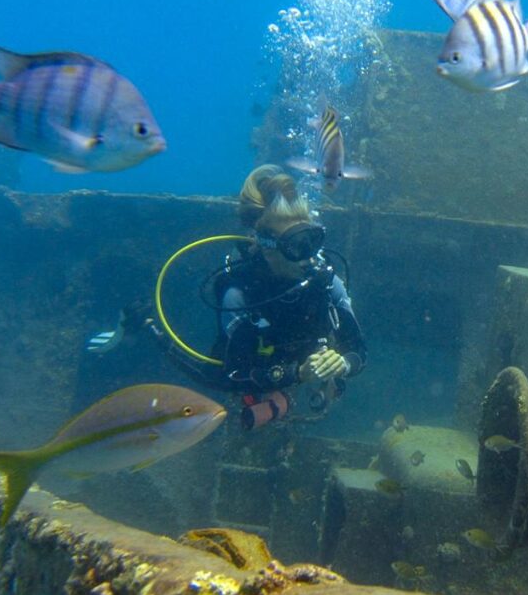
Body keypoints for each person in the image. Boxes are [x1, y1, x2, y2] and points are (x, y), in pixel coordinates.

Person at [107, 165, 366, 429]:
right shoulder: (240, 292)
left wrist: (342, 363)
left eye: (312, 239)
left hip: (299, 359)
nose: (309, 255)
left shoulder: (325, 281)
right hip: (258, 362)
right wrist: (296, 373)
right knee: (209, 377)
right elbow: (231, 375)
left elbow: (358, 349)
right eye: (295, 245)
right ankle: (147, 328)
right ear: (268, 248)